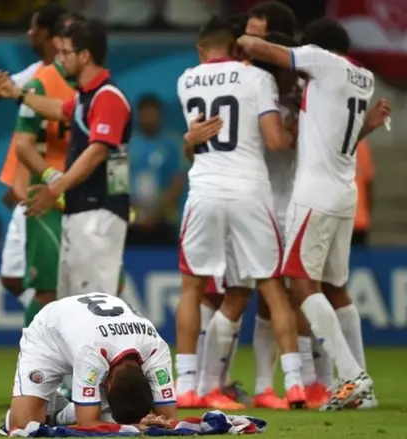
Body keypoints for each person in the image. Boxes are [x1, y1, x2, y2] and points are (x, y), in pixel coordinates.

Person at [237, 17, 390, 410]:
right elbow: (333, 137)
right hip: (343, 191)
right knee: (335, 288)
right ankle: (361, 385)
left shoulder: (321, 61)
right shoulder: (363, 77)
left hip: (316, 195)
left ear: (317, 48)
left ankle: (353, 377)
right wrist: (369, 127)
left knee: (301, 284)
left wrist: (247, 37)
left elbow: (262, 50)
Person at [175, 17, 305, 411]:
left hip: (205, 190)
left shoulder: (186, 80)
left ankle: (186, 386)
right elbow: (275, 141)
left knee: (193, 288)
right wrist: (297, 123)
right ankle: (296, 385)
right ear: (236, 47)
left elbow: (197, 143)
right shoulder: (256, 80)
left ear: (201, 50)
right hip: (249, 191)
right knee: (270, 286)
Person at [0, 20, 132, 298]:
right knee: (74, 300)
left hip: (99, 210)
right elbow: (59, 110)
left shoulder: (108, 97)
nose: (59, 59)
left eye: (66, 53)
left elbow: (97, 151)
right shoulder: (85, 97)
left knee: (95, 301)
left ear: (85, 56)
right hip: (81, 208)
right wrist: (19, 94)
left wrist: (55, 187)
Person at [4, 293, 176, 430]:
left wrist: (156, 421)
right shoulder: (93, 352)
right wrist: (133, 427)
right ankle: (46, 402)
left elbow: (167, 418)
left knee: (109, 413)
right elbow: (87, 423)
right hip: (48, 334)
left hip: (90, 332)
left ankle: (60, 413)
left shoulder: (156, 349)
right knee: (24, 426)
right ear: (106, 385)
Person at [12, 12, 84, 328]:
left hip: (88, 196)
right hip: (48, 199)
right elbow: (22, 145)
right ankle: (33, 369)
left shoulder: (97, 87)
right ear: (56, 42)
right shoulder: (40, 84)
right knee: (47, 291)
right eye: (64, 42)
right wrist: (53, 179)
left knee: (99, 287)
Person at [0, 3, 69, 308]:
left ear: (44, 33)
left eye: (31, 27)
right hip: (34, 184)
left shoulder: (77, 83)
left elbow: (62, 114)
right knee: (15, 276)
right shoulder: (35, 75)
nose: (29, 34)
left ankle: (56, 327)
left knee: (52, 282)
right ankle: (54, 322)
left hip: (57, 188)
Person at [127, 94, 185, 247]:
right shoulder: (126, 145)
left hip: (163, 219)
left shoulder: (172, 144)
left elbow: (177, 180)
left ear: (160, 115)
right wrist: (136, 212)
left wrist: (158, 212)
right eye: (145, 113)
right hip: (132, 219)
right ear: (138, 115)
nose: (149, 118)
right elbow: (118, 181)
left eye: (153, 113)